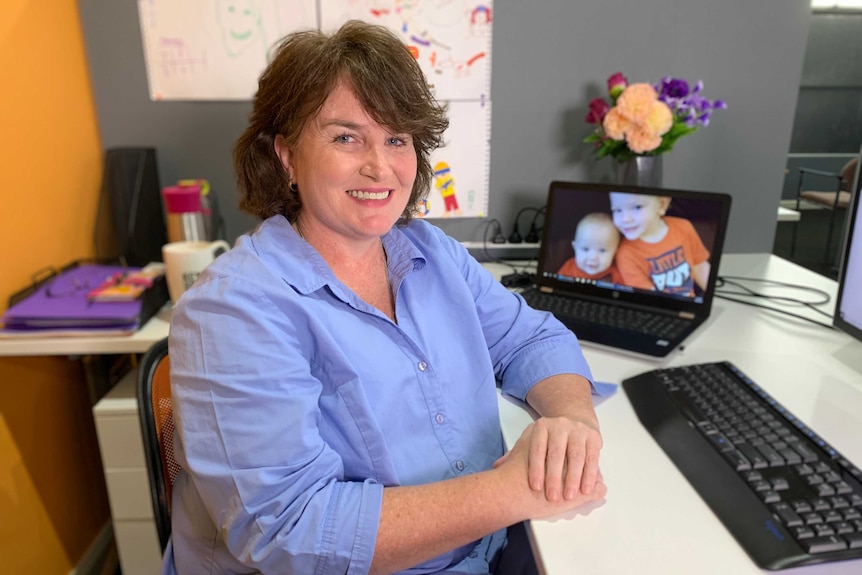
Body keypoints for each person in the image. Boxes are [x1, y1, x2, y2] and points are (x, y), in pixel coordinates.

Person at [166, 20, 606, 575]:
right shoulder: (231, 311)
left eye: (397, 138)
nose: (379, 166)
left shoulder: (430, 252)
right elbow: (295, 533)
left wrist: (572, 426)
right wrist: (514, 490)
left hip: (493, 545)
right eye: (346, 137)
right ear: (286, 156)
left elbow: (531, 339)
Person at [609, 191, 710, 296]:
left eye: (637, 207)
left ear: (662, 204)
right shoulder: (625, 254)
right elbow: (648, 298)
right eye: (617, 210)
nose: (625, 219)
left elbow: (700, 266)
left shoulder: (684, 227)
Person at [556, 212, 622, 284]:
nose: (592, 257)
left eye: (602, 250)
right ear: (575, 247)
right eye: (585, 249)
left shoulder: (616, 274)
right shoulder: (568, 268)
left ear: (615, 252)